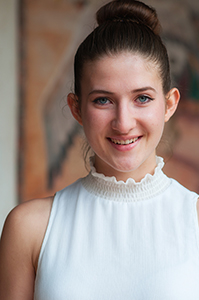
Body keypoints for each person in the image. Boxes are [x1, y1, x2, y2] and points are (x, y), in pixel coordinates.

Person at [0, 0, 199, 299]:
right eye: (103, 100)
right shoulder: (29, 229)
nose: (123, 122)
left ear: (169, 104)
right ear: (76, 109)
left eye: (142, 98)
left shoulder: (194, 220)